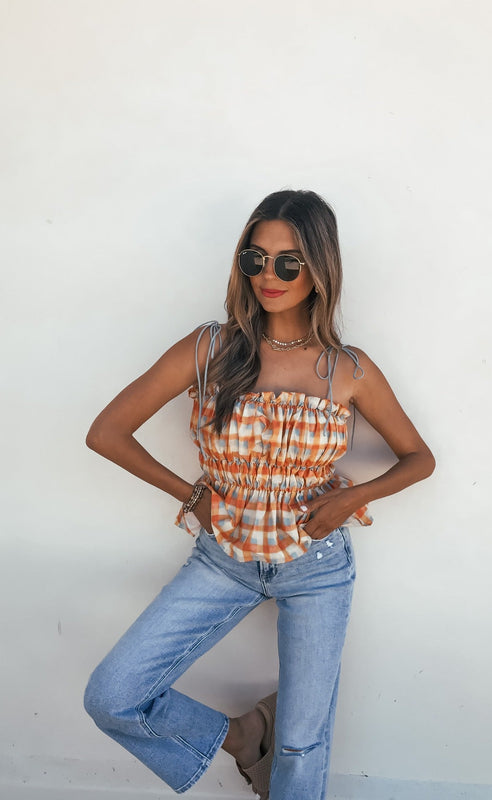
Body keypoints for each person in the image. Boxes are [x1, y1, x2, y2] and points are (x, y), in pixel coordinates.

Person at [83, 189, 435, 800]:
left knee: (302, 745)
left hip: (316, 567)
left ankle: (272, 744)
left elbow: (419, 459)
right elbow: (106, 432)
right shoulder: (210, 348)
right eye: (256, 259)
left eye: (289, 261)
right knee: (114, 694)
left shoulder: (348, 369)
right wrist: (193, 497)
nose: (269, 276)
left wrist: (351, 499)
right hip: (224, 559)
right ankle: (245, 738)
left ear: (321, 269)